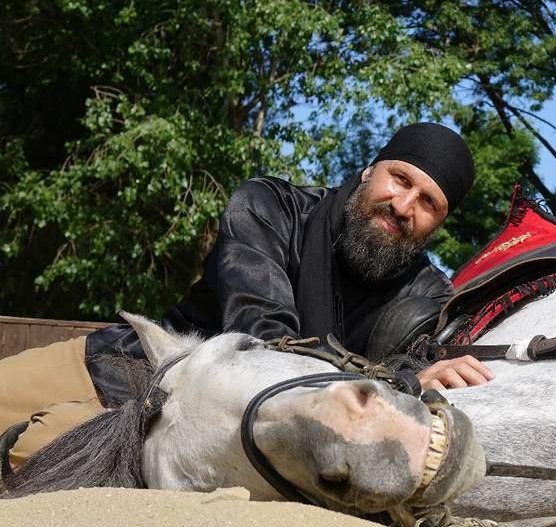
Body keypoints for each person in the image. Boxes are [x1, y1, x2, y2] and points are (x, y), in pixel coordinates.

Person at [0, 122, 493, 471]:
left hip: (213, 448)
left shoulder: (427, 296)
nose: (404, 205)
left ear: (438, 226)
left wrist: (421, 380)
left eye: (429, 202)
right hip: (120, 373)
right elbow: (263, 343)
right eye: (400, 179)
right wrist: (398, 379)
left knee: (35, 452)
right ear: (369, 172)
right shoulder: (269, 207)